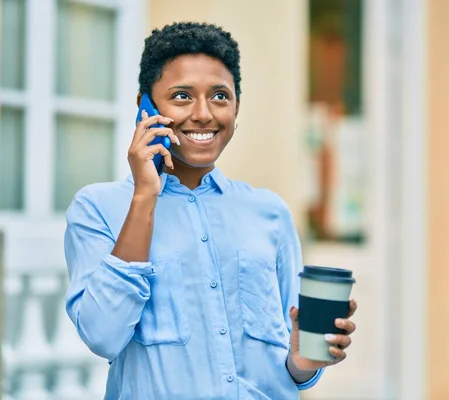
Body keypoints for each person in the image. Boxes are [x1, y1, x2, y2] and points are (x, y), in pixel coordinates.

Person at [64, 22, 358, 399]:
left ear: (236, 107)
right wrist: (144, 198)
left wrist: (304, 362)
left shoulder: (270, 213)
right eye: (182, 96)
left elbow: (290, 368)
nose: (204, 114)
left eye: (220, 96)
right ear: (145, 106)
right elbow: (102, 334)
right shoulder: (98, 209)